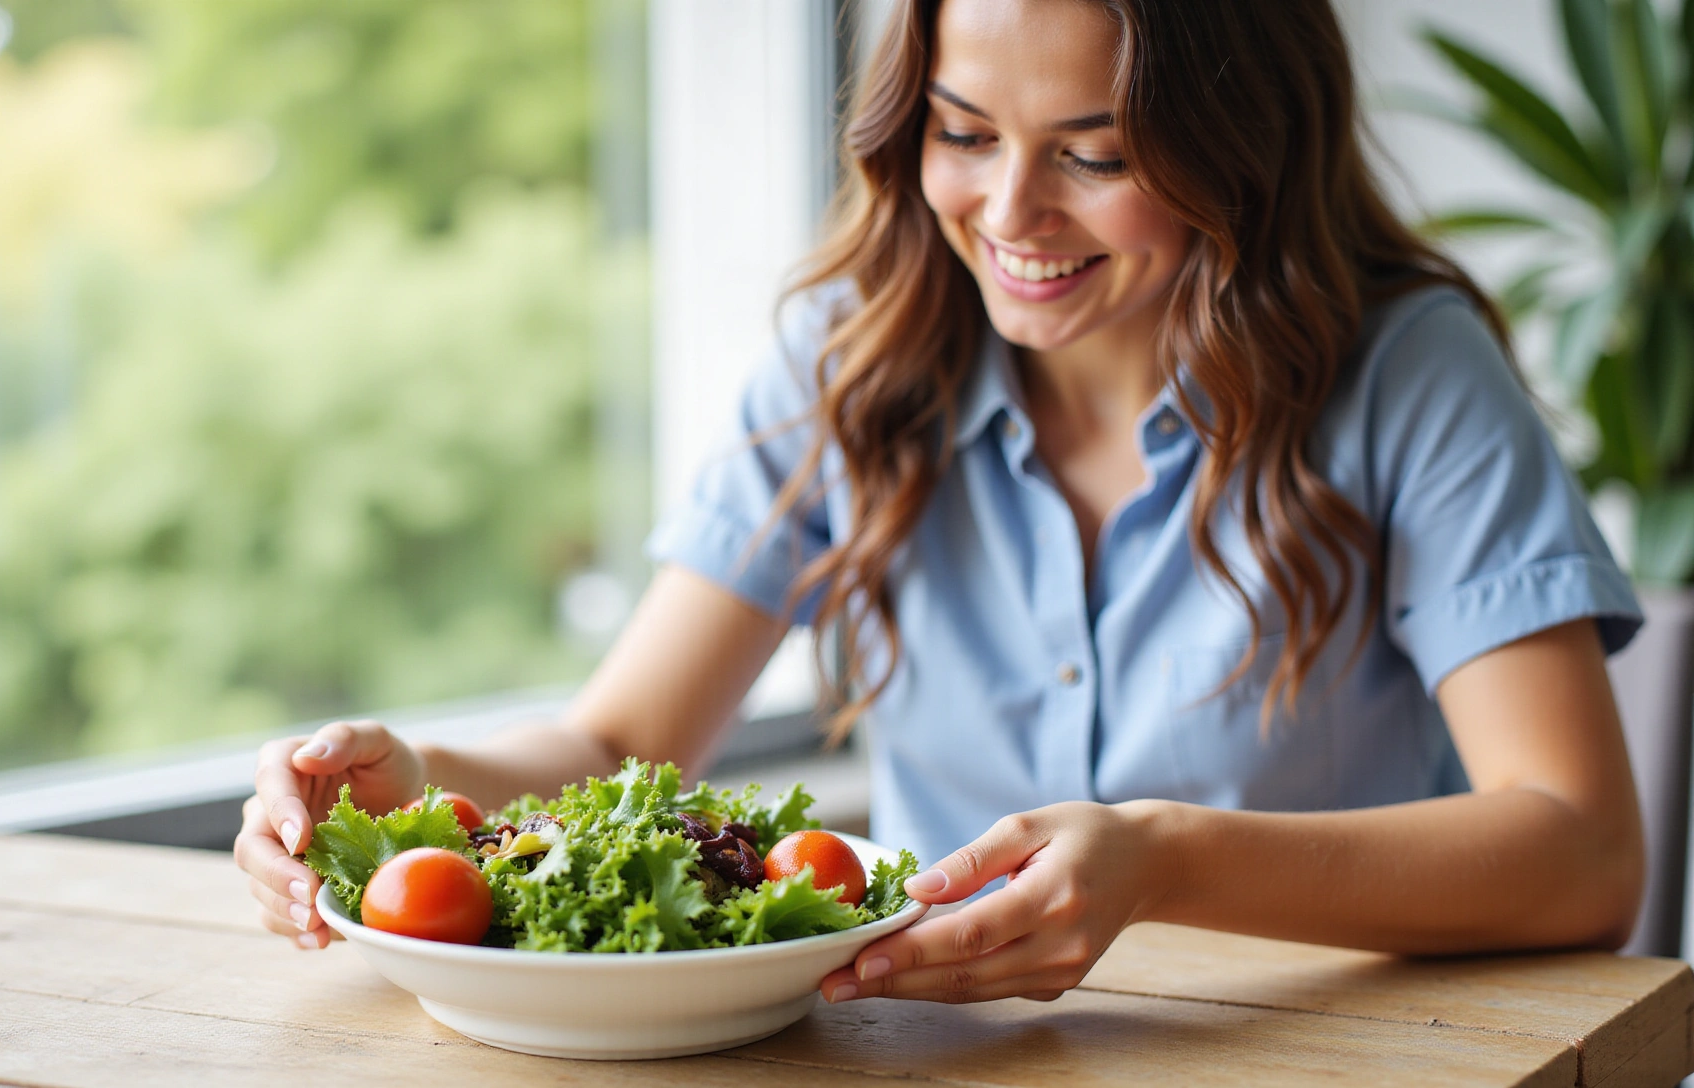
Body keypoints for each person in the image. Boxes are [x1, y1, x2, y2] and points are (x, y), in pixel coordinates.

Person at [236, 0, 1647, 1007]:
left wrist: (1157, 860)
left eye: (1095, 153)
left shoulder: (1406, 373)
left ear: (1246, 146)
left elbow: (1581, 848)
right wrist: (418, 791)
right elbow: (616, 737)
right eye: (963, 132)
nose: (1012, 212)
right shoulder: (854, 356)